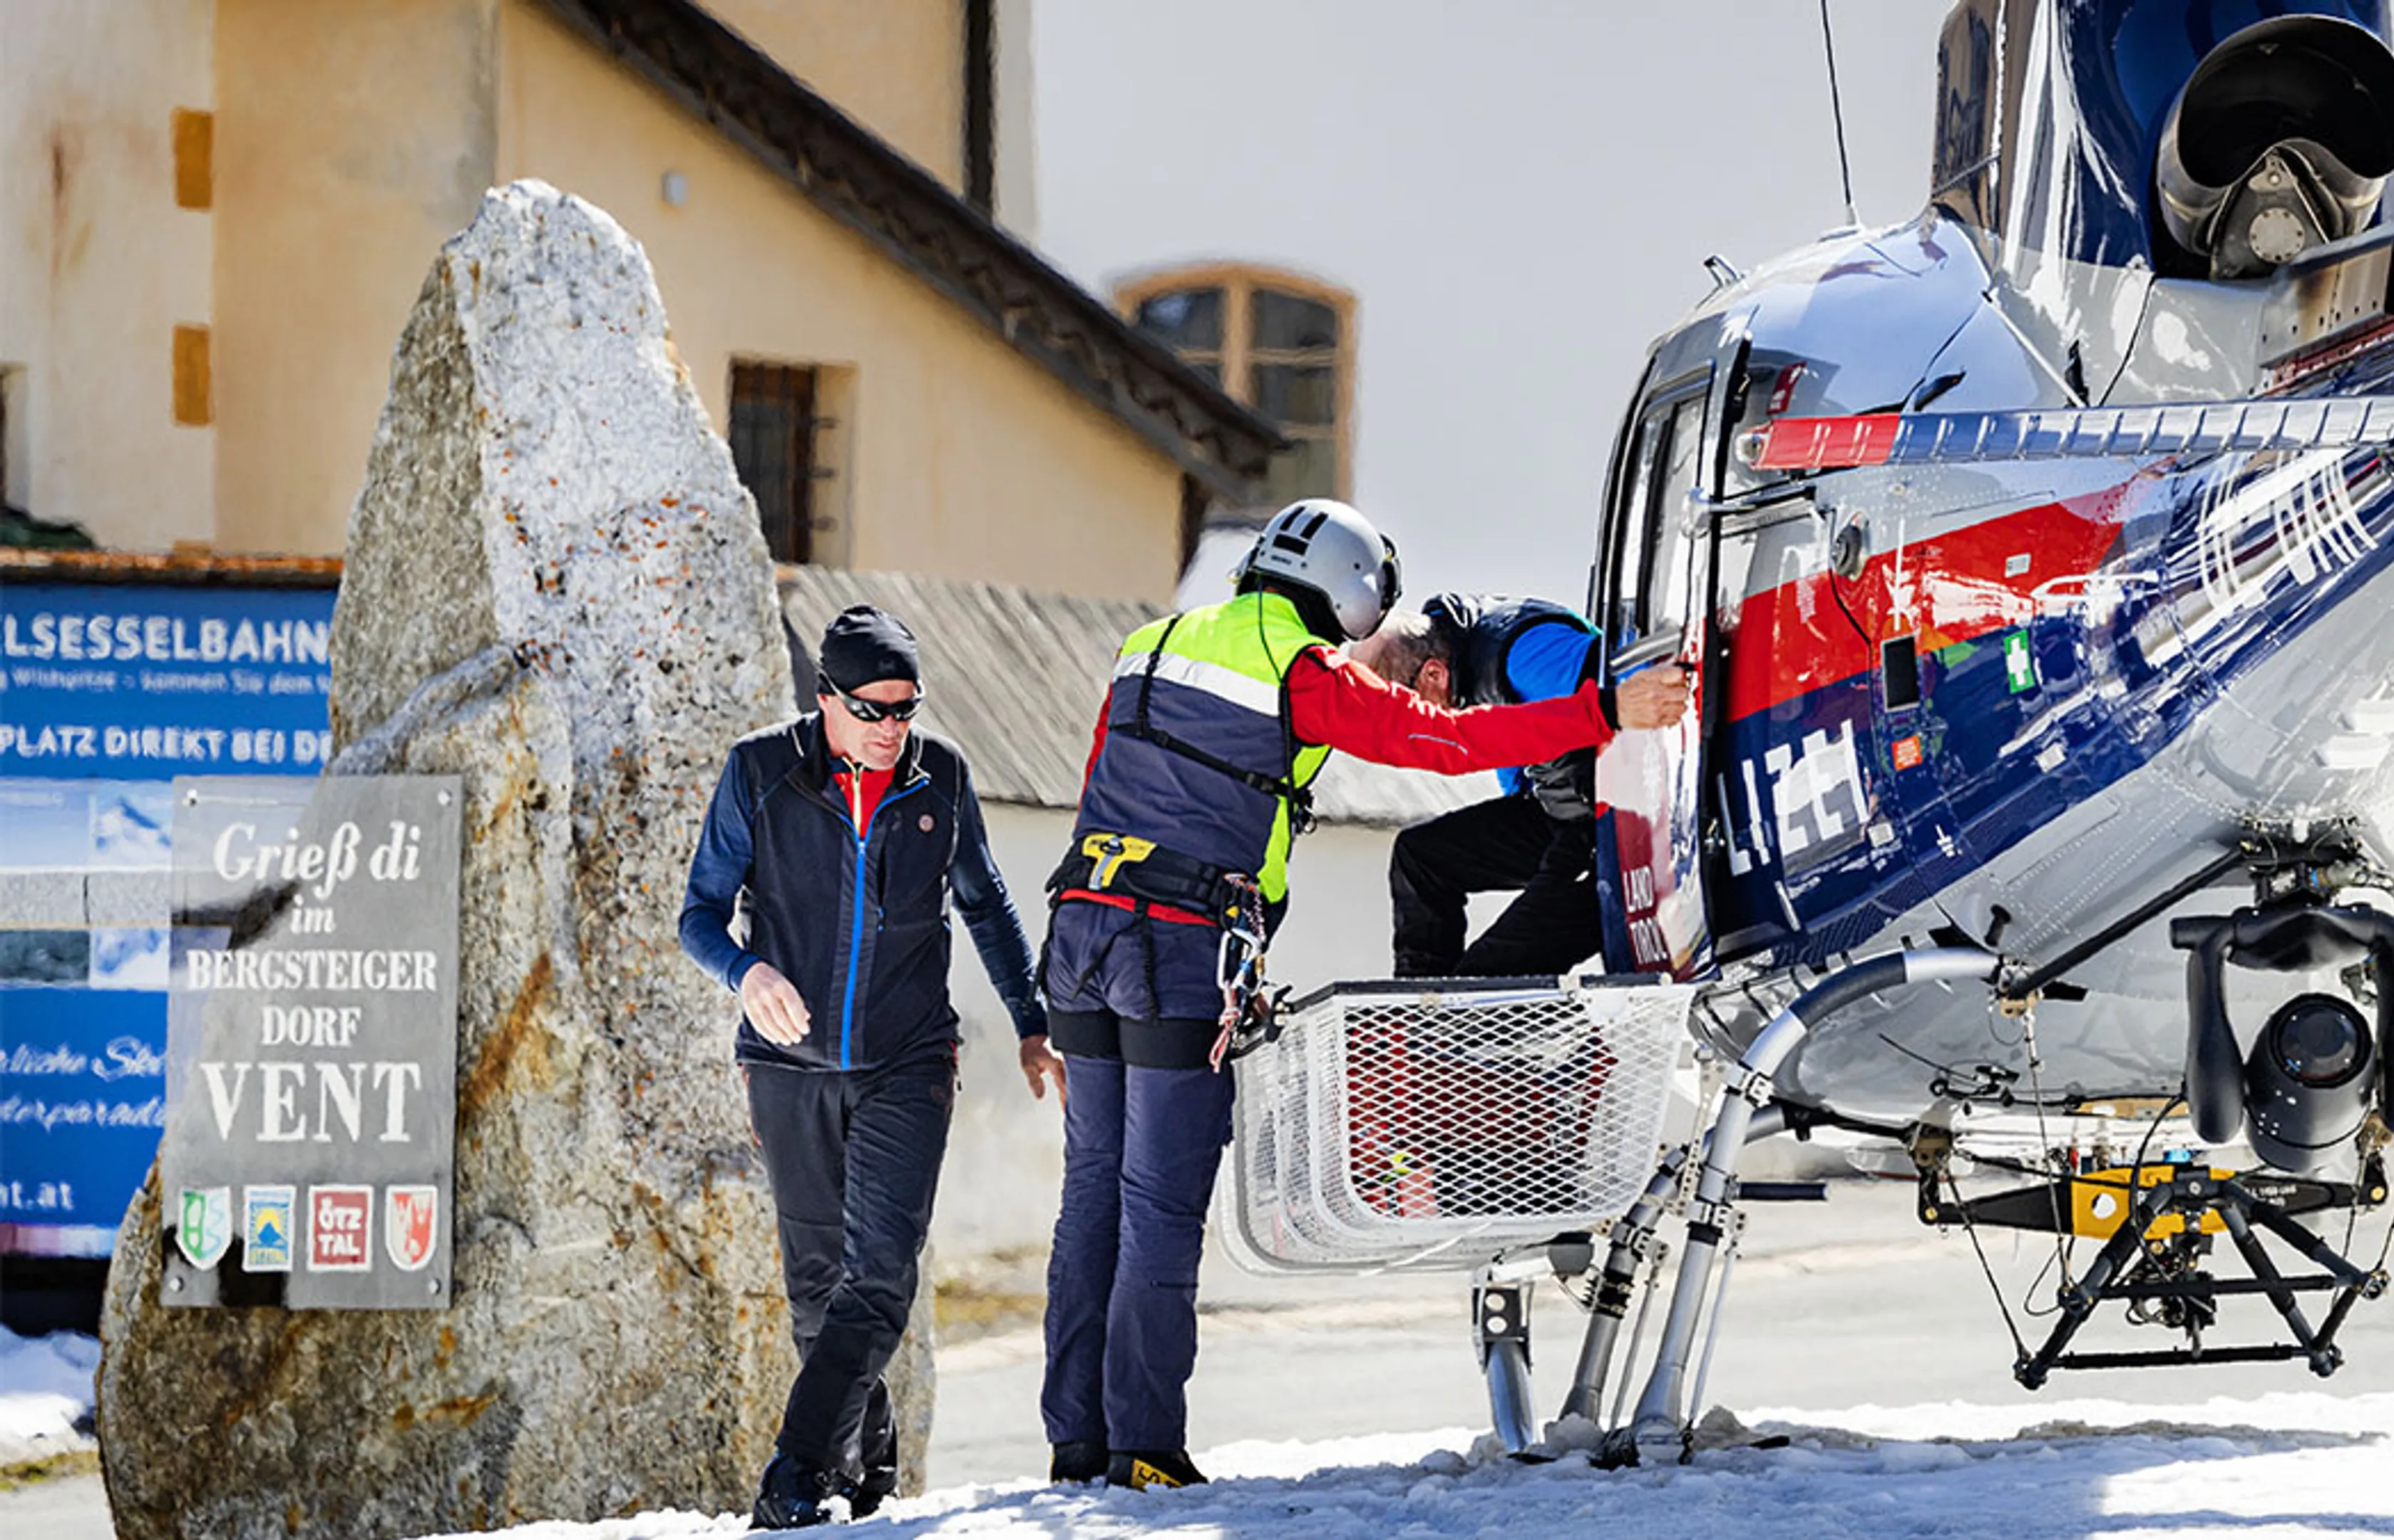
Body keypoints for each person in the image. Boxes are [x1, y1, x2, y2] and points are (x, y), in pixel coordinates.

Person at [1034, 499, 1689, 1491]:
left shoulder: (1147, 645)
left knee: (1090, 1198)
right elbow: (1435, 742)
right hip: (1175, 950)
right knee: (1159, 1206)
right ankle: (1145, 1451)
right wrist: (1604, 714)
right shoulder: (1301, 667)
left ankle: (1076, 1443)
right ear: (1348, 589)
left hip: (1079, 931)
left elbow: (1098, 788)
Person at [679, 605, 1064, 1530]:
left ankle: (794, 1473)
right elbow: (698, 913)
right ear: (826, 701)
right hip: (789, 1066)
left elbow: (986, 905)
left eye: (906, 709)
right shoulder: (761, 774)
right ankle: (869, 1451)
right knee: (818, 1292)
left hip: (909, 1060)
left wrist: (1029, 1021)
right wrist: (747, 970)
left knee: (881, 1276)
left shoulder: (940, 778)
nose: (893, 728)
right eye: (873, 709)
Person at [1354, 594, 1610, 978]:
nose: (1407, 730)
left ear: (1433, 675)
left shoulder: (1527, 652)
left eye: (1401, 712)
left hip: (1611, 833)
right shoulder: (1469, 678)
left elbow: (1620, 708)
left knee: (1484, 977)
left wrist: (1550, 889)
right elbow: (1518, 788)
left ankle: (1457, 1019)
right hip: (1559, 817)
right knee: (1420, 856)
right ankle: (1416, 1000)